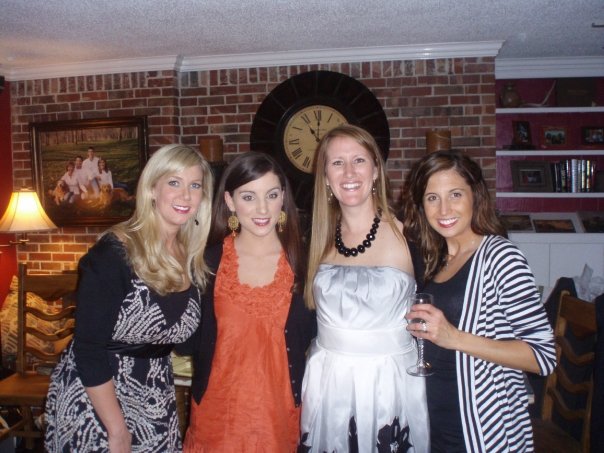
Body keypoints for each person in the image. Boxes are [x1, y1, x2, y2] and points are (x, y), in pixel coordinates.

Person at [44, 144, 214, 452]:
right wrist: (117, 429)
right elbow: (89, 349)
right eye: (174, 182)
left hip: (156, 398)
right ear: (151, 189)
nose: (186, 195)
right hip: (97, 401)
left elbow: (189, 343)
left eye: (195, 185)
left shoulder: (191, 257)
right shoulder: (115, 252)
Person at [401, 150, 556, 452]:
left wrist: (454, 337)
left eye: (455, 194)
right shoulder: (436, 259)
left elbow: (543, 356)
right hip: (436, 426)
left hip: (482, 431)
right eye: (432, 198)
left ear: (476, 195)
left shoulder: (501, 257)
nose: (444, 209)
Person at [299, 124, 429, 452]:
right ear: (325, 177)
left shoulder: (411, 235)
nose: (349, 172)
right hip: (329, 383)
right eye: (337, 163)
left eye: (358, 160)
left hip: (390, 384)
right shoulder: (314, 239)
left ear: (376, 171)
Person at [176, 151, 316, 452]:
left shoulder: (306, 264)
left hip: (279, 420)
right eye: (249, 197)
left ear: (283, 198)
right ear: (230, 202)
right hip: (218, 420)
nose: (262, 208)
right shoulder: (205, 263)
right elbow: (185, 342)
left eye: (272, 195)